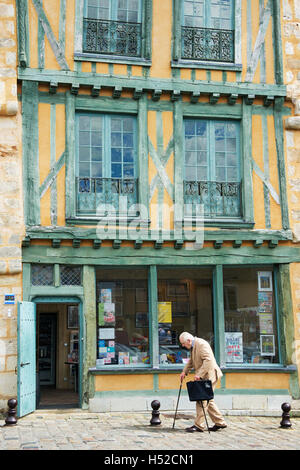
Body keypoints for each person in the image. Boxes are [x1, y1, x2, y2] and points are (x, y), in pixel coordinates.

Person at [179, 331, 227, 433]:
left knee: (202, 399)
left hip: (210, 375)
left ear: (188, 340)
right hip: (204, 375)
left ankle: (199, 425)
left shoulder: (201, 344)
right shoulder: (193, 346)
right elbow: (191, 361)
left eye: (183, 343)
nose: (183, 345)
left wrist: (199, 374)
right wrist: (184, 372)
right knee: (208, 399)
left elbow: (208, 361)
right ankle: (220, 422)